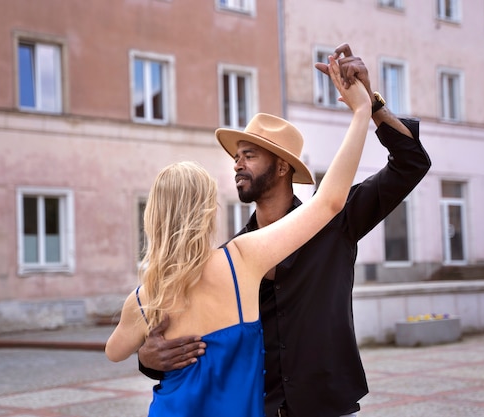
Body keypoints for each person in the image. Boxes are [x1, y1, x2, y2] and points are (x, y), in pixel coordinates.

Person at [137, 44, 432, 417]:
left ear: (281, 168)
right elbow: (193, 338)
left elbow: (411, 163)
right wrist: (149, 359)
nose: (237, 165)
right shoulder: (231, 255)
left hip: (326, 408)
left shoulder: (335, 221)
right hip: (255, 409)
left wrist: (371, 106)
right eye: (236, 157)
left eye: (249, 155)